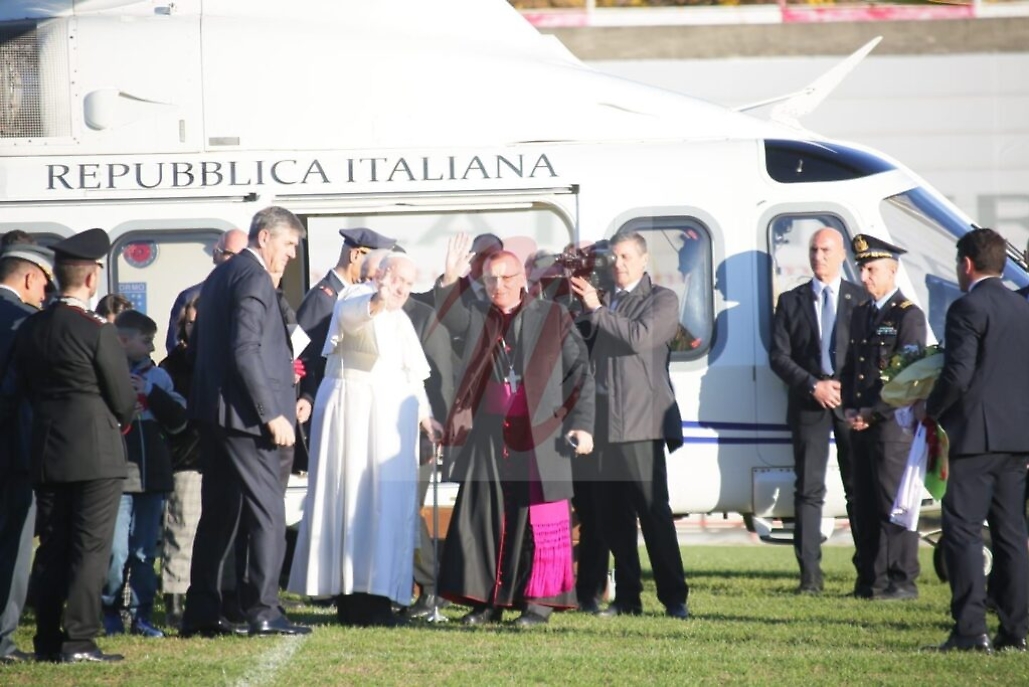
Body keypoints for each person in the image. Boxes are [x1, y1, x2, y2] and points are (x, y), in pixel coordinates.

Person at [436, 236, 595, 627]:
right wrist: (450, 279)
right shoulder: (478, 315)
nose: (498, 285)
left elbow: (580, 375)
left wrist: (583, 426)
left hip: (540, 435)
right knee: (484, 519)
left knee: (538, 521)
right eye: (491, 279)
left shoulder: (553, 316)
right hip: (490, 437)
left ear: (522, 279)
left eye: (506, 277)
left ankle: (537, 605)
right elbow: (449, 318)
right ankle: (485, 602)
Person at [7, 229, 137, 663]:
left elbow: (21, 388)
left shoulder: (31, 326)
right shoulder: (97, 331)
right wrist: (119, 420)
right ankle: (79, 638)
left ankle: (47, 638)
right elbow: (122, 398)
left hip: (47, 447)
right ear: (92, 277)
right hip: (96, 451)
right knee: (90, 547)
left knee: (53, 546)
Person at [180, 206, 311, 638]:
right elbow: (245, 350)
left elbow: (202, 345)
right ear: (265, 237)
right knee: (268, 511)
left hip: (216, 415)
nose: (292, 254)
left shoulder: (221, 275)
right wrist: (271, 412)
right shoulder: (254, 277)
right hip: (246, 419)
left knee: (219, 513)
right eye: (288, 243)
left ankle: (202, 611)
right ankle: (264, 610)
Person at [289, 254, 440, 626]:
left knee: (387, 510)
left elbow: (410, 376)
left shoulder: (401, 318)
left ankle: (380, 598)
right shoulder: (356, 295)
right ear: (380, 275)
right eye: (396, 279)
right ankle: (357, 602)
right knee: (354, 504)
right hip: (355, 421)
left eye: (408, 283)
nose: (401, 289)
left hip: (389, 429)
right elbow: (354, 316)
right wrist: (377, 299)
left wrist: (426, 417)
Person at [918, 228, 1029, 653]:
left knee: (963, 532)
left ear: (966, 264)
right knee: (1011, 534)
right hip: (1016, 438)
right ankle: (1016, 630)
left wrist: (931, 409)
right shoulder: (1021, 308)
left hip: (973, 438)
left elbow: (958, 374)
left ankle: (970, 629)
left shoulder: (967, 307)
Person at [569, 231, 689, 620]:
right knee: (614, 518)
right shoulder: (605, 299)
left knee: (654, 514)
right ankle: (627, 598)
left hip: (642, 423)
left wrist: (597, 308)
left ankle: (674, 599)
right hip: (605, 426)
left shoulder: (661, 299)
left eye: (625, 257)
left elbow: (640, 337)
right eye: (614, 258)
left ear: (643, 260)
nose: (618, 264)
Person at [769, 227, 862, 594]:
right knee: (809, 489)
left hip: (850, 404)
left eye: (825, 250)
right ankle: (810, 577)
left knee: (858, 487)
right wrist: (813, 385)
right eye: (813, 250)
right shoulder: (791, 301)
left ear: (841, 255)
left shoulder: (860, 298)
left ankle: (868, 573)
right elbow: (779, 356)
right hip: (809, 402)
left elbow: (871, 355)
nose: (818, 256)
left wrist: (845, 388)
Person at [840, 234, 927, 601]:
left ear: (892, 270)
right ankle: (870, 580)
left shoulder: (907, 315)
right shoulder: (862, 313)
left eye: (871, 269)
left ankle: (902, 580)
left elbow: (907, 374)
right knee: (864, 504)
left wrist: (873, 412)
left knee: (895, 505)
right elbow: (852, 367)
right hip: (861, 424)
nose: (864, 277)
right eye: (862, 269)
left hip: (892, 426)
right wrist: (849, 407)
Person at [101, 310, 188, 638]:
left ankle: (141, 615)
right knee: (116, 550)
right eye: (146, 341)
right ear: (123, 341)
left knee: (143, 552)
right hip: (117, 477)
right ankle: (109, 611)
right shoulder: (103, 373)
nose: (152, 348)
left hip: (152, 476)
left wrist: (152, 394)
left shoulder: (159, 377)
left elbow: (179, 422)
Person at [0, 243, 55, 665]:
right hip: (14, 448)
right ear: (30, 277)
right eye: (44, 286)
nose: (44, 295)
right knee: (14, 546)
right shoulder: (26, 321)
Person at [294, 227, 396, 419]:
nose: (381, 273)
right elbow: (300, 356)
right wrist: (308, 397)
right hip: (321, 406)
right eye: (378, 264)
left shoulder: (353, 297)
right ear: (355, 255)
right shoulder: (324, 298)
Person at [159, 296, 202, 629]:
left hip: (220, 458)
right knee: (181, 529)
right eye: (189, 323)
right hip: (186, 457)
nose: (194, 328)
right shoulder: (171, 366)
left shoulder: (224, 359)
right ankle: (174, 599)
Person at [164, 228, 247, 354]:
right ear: (215, 255)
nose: (236, 261)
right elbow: (175, 346)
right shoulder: (189, 297)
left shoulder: (257, 295)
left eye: (242, 255)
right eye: (229, 254)